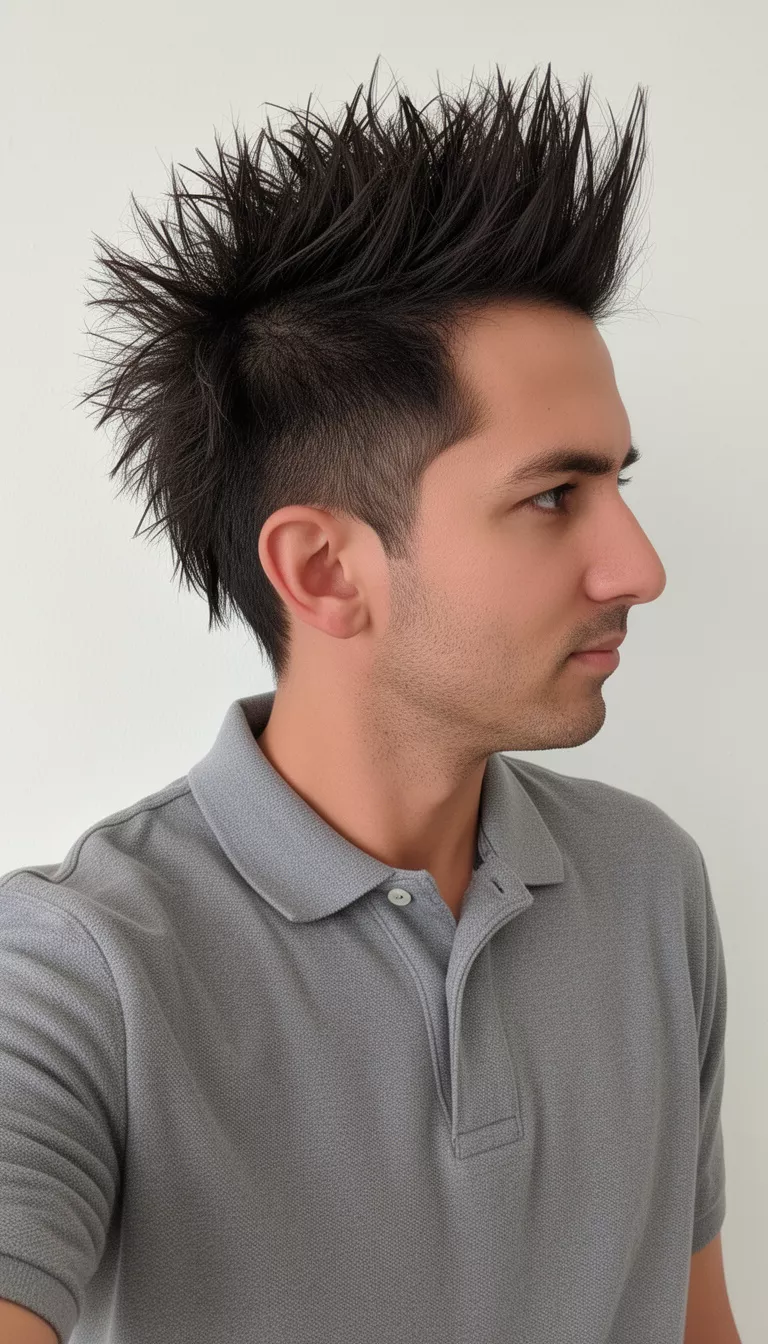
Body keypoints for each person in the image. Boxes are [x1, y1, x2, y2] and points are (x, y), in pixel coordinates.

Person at [0, 58, 738, 1343]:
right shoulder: (77, 970)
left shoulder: (649, 886)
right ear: (326, 571)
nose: (640, 566)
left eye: (618, 484)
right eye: (553, 496)